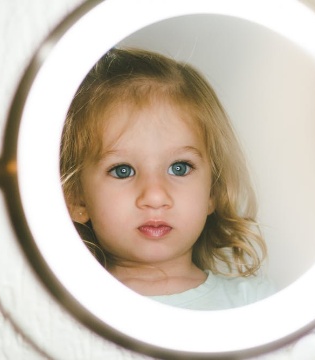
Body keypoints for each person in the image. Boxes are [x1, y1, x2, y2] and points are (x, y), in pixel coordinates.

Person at [60, 48, 277, 310]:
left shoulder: (254, 304)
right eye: (122, 170)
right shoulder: (65, 309)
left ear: (213, 191)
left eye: (179, 168)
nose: (155, 196)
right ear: (76, 198)